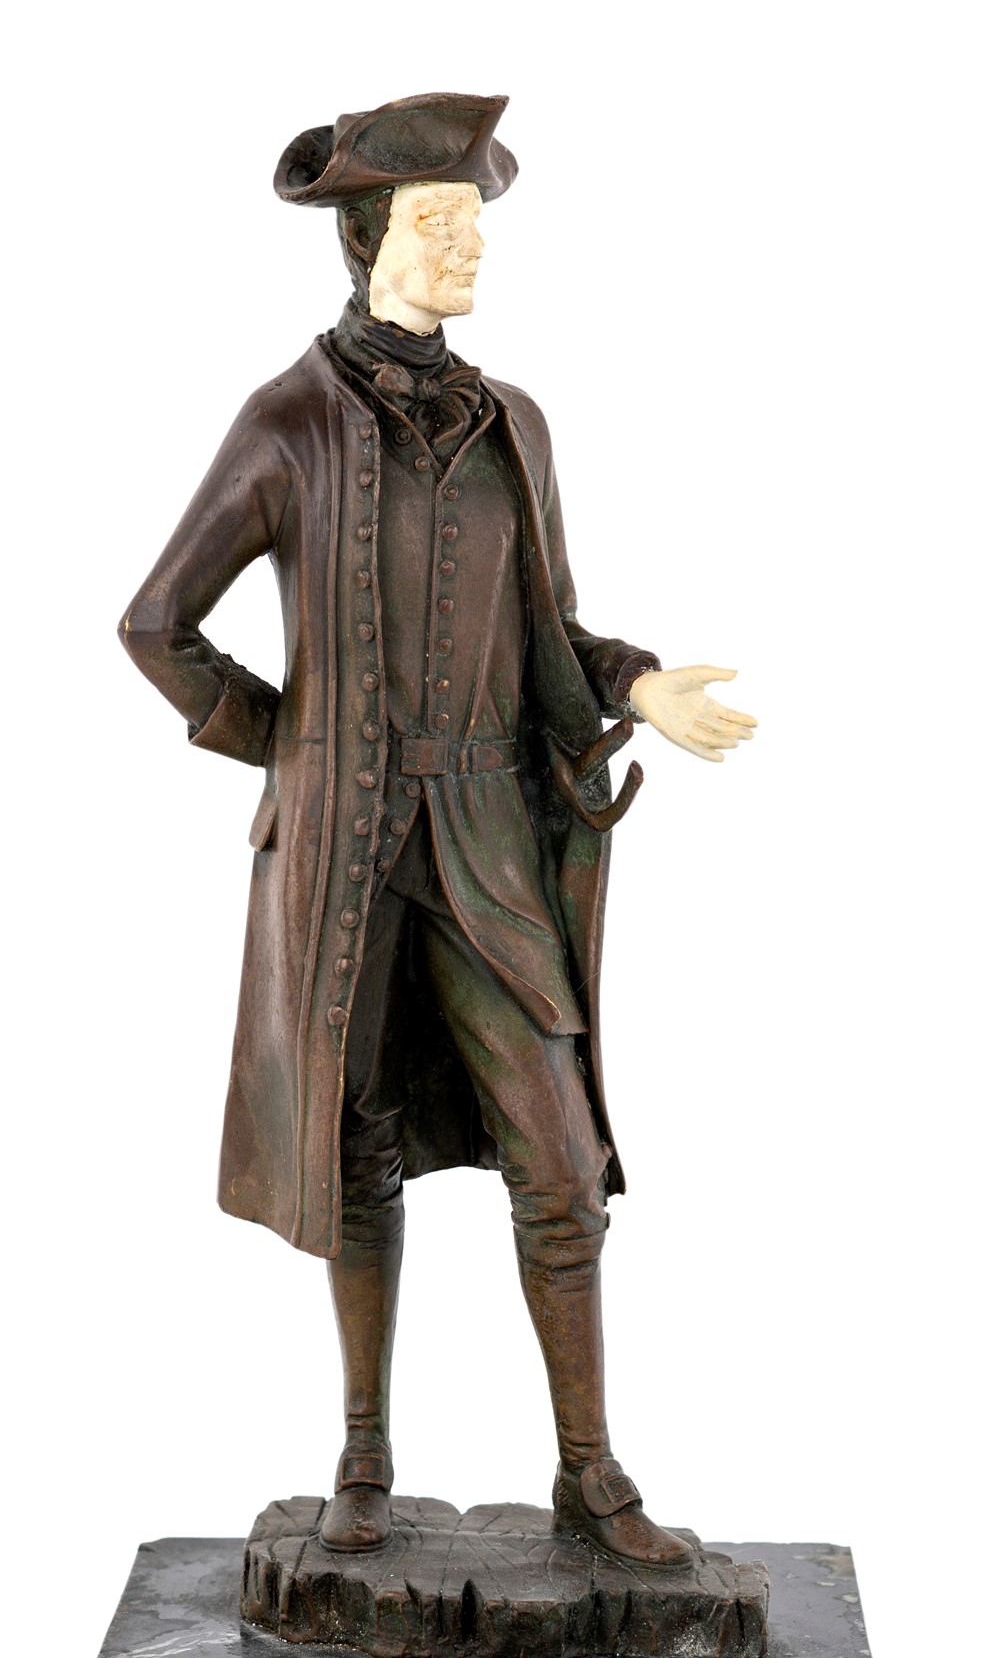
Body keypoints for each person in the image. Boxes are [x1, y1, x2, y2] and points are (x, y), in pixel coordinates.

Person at [120, 93, 755, 1569]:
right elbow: (157, 625)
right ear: (369, 239)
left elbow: (547, 639)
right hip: (342, 853)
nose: (469, 244)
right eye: (439, 222)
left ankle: (589, 1475)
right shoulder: (287, 421)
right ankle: (362, 1457)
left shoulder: (512, 424)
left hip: (484, 843)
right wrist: (288, 745)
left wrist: (636, 685)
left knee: (563, 1161)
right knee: (353, 1150)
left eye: (474, 221)